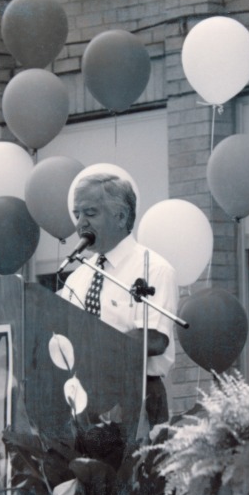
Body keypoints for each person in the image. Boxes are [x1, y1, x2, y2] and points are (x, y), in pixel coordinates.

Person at [58, 173, 179, 426]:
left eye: (90, 213)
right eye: (77, 214)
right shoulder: (77, 277)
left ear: (121, 216)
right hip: (80, 398)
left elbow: (155, 339)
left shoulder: (153, 268)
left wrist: (92, 346)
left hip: (136, 396)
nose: (81, 223)